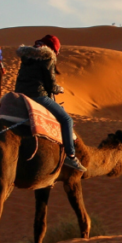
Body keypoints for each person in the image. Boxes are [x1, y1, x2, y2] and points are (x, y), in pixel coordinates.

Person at [14, 34, 85, 172]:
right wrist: (59, 89)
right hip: (37, 95)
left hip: (20, 94)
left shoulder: (27, 56)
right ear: (53, 49)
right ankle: (71, 156)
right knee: (67, 120)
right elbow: (51, 86)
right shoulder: (47, 57)